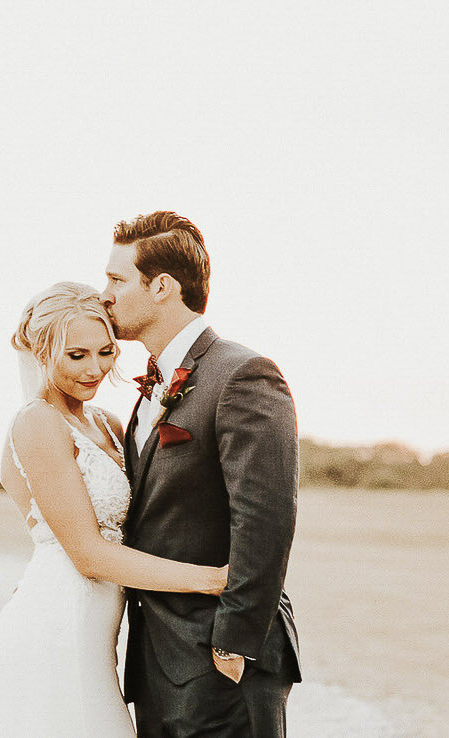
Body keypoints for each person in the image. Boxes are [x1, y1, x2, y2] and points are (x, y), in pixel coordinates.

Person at [0, 282, 227, 738]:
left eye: (105, 351)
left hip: (95, 634)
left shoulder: (104, 421)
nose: (95, 369)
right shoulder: (37, 423)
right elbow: (88, 555)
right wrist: (212, 579)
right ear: (42, 352)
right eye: (76, 355)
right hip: (55, 627)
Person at [103, 212, 302, 738]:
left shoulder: (242, 374)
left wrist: (233, 642)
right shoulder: (149, 387)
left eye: (116, 280)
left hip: (221, 660)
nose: (105, 295)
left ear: (162, 287)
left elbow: (264, 519)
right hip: (157, 659)